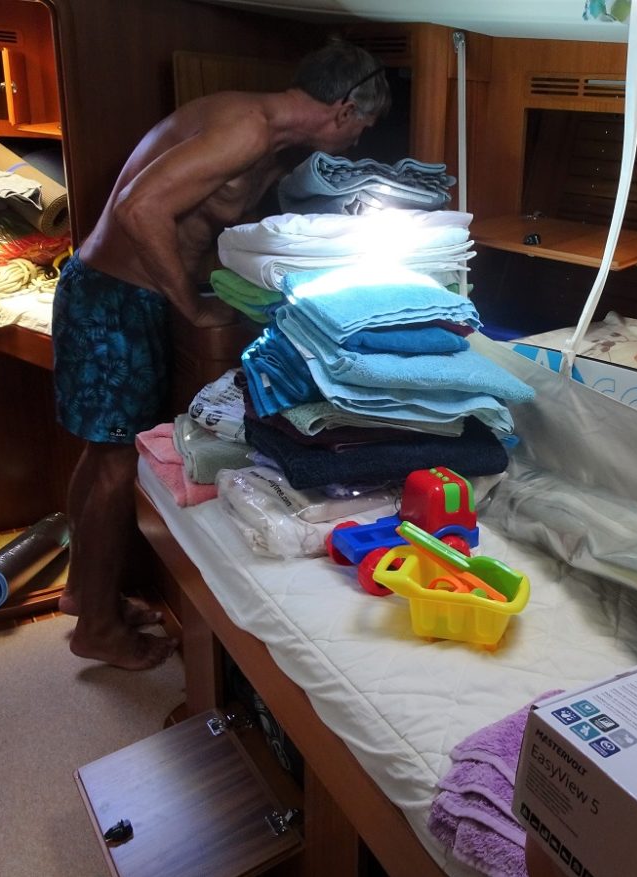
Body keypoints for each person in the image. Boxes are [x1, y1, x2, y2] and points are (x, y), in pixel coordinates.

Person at [52, 38, 391, 669]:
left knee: (103, 455)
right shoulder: (245, 127)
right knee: (116, 466)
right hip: (115, 303)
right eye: (364, 125)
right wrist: (191, 307)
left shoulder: (270, 140)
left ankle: (84, 594)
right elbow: (139, 208)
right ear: (345, 109)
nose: (359, 138)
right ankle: (95, 629)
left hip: (121, 298)